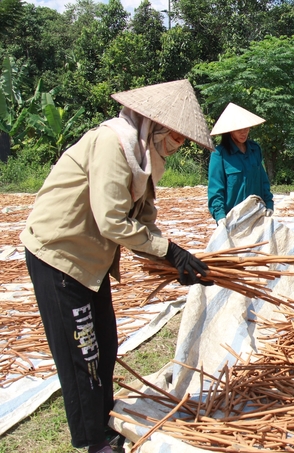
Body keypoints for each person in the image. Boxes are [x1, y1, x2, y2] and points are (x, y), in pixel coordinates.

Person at [20, 79, 214, 453]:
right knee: (82, 354)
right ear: (154, 124)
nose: (178, 144)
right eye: (176, 136)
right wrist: (169, 252)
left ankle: (103, 421)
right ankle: (93, 441)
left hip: (91, 260)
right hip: (60, 255)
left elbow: (143, 219)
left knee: (105, 345)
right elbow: (112, 221)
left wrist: (177, 259)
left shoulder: (144, 156)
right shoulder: (114, 143)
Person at [208, 103, 274, 226]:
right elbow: (216, 189)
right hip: (232, 218)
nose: (243, 132)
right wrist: (220, 216)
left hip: (256, 214)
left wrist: (269, 204)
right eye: (239, 129)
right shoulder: (219, 155)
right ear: (229, 130)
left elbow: (263, 180)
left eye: (246, 128)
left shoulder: (255, 149)